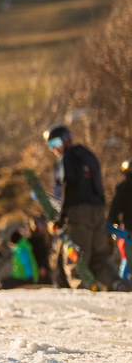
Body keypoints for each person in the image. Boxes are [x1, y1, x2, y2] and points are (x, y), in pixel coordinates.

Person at [43, 124, 120, 290]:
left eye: (56, 143)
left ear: (66, 140)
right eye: (50, 145)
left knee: (77, 255)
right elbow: (99, 186)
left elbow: (69, 185)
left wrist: (62, 217)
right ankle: (117, 284)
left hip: (78, 212)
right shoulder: (88, 156)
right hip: (97, 210)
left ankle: (81, 290)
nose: (54, 148)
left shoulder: (67, 157)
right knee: (100, 259)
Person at [107, 159, 131, 282]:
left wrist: (115, 226)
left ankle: (124, 284)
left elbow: (113, 214)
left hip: (129, 233)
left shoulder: (124, 189)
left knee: (127, 262)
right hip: (128, 233)